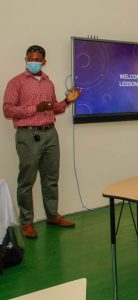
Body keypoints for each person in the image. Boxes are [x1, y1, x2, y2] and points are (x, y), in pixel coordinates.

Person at [3, 45, 81, 239]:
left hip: (50, 133)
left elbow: (54, 108)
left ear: (44, 62)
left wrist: (68, 100)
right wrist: (34, 108)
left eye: (37, 60)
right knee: (26, 180)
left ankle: (52, 215)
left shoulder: (49, 83)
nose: (34, 62)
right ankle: (27, 222)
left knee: (51, 178)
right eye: (30, 58)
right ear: (25, 59)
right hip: (28, 135)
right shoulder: (16, 82)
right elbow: (8, 110)